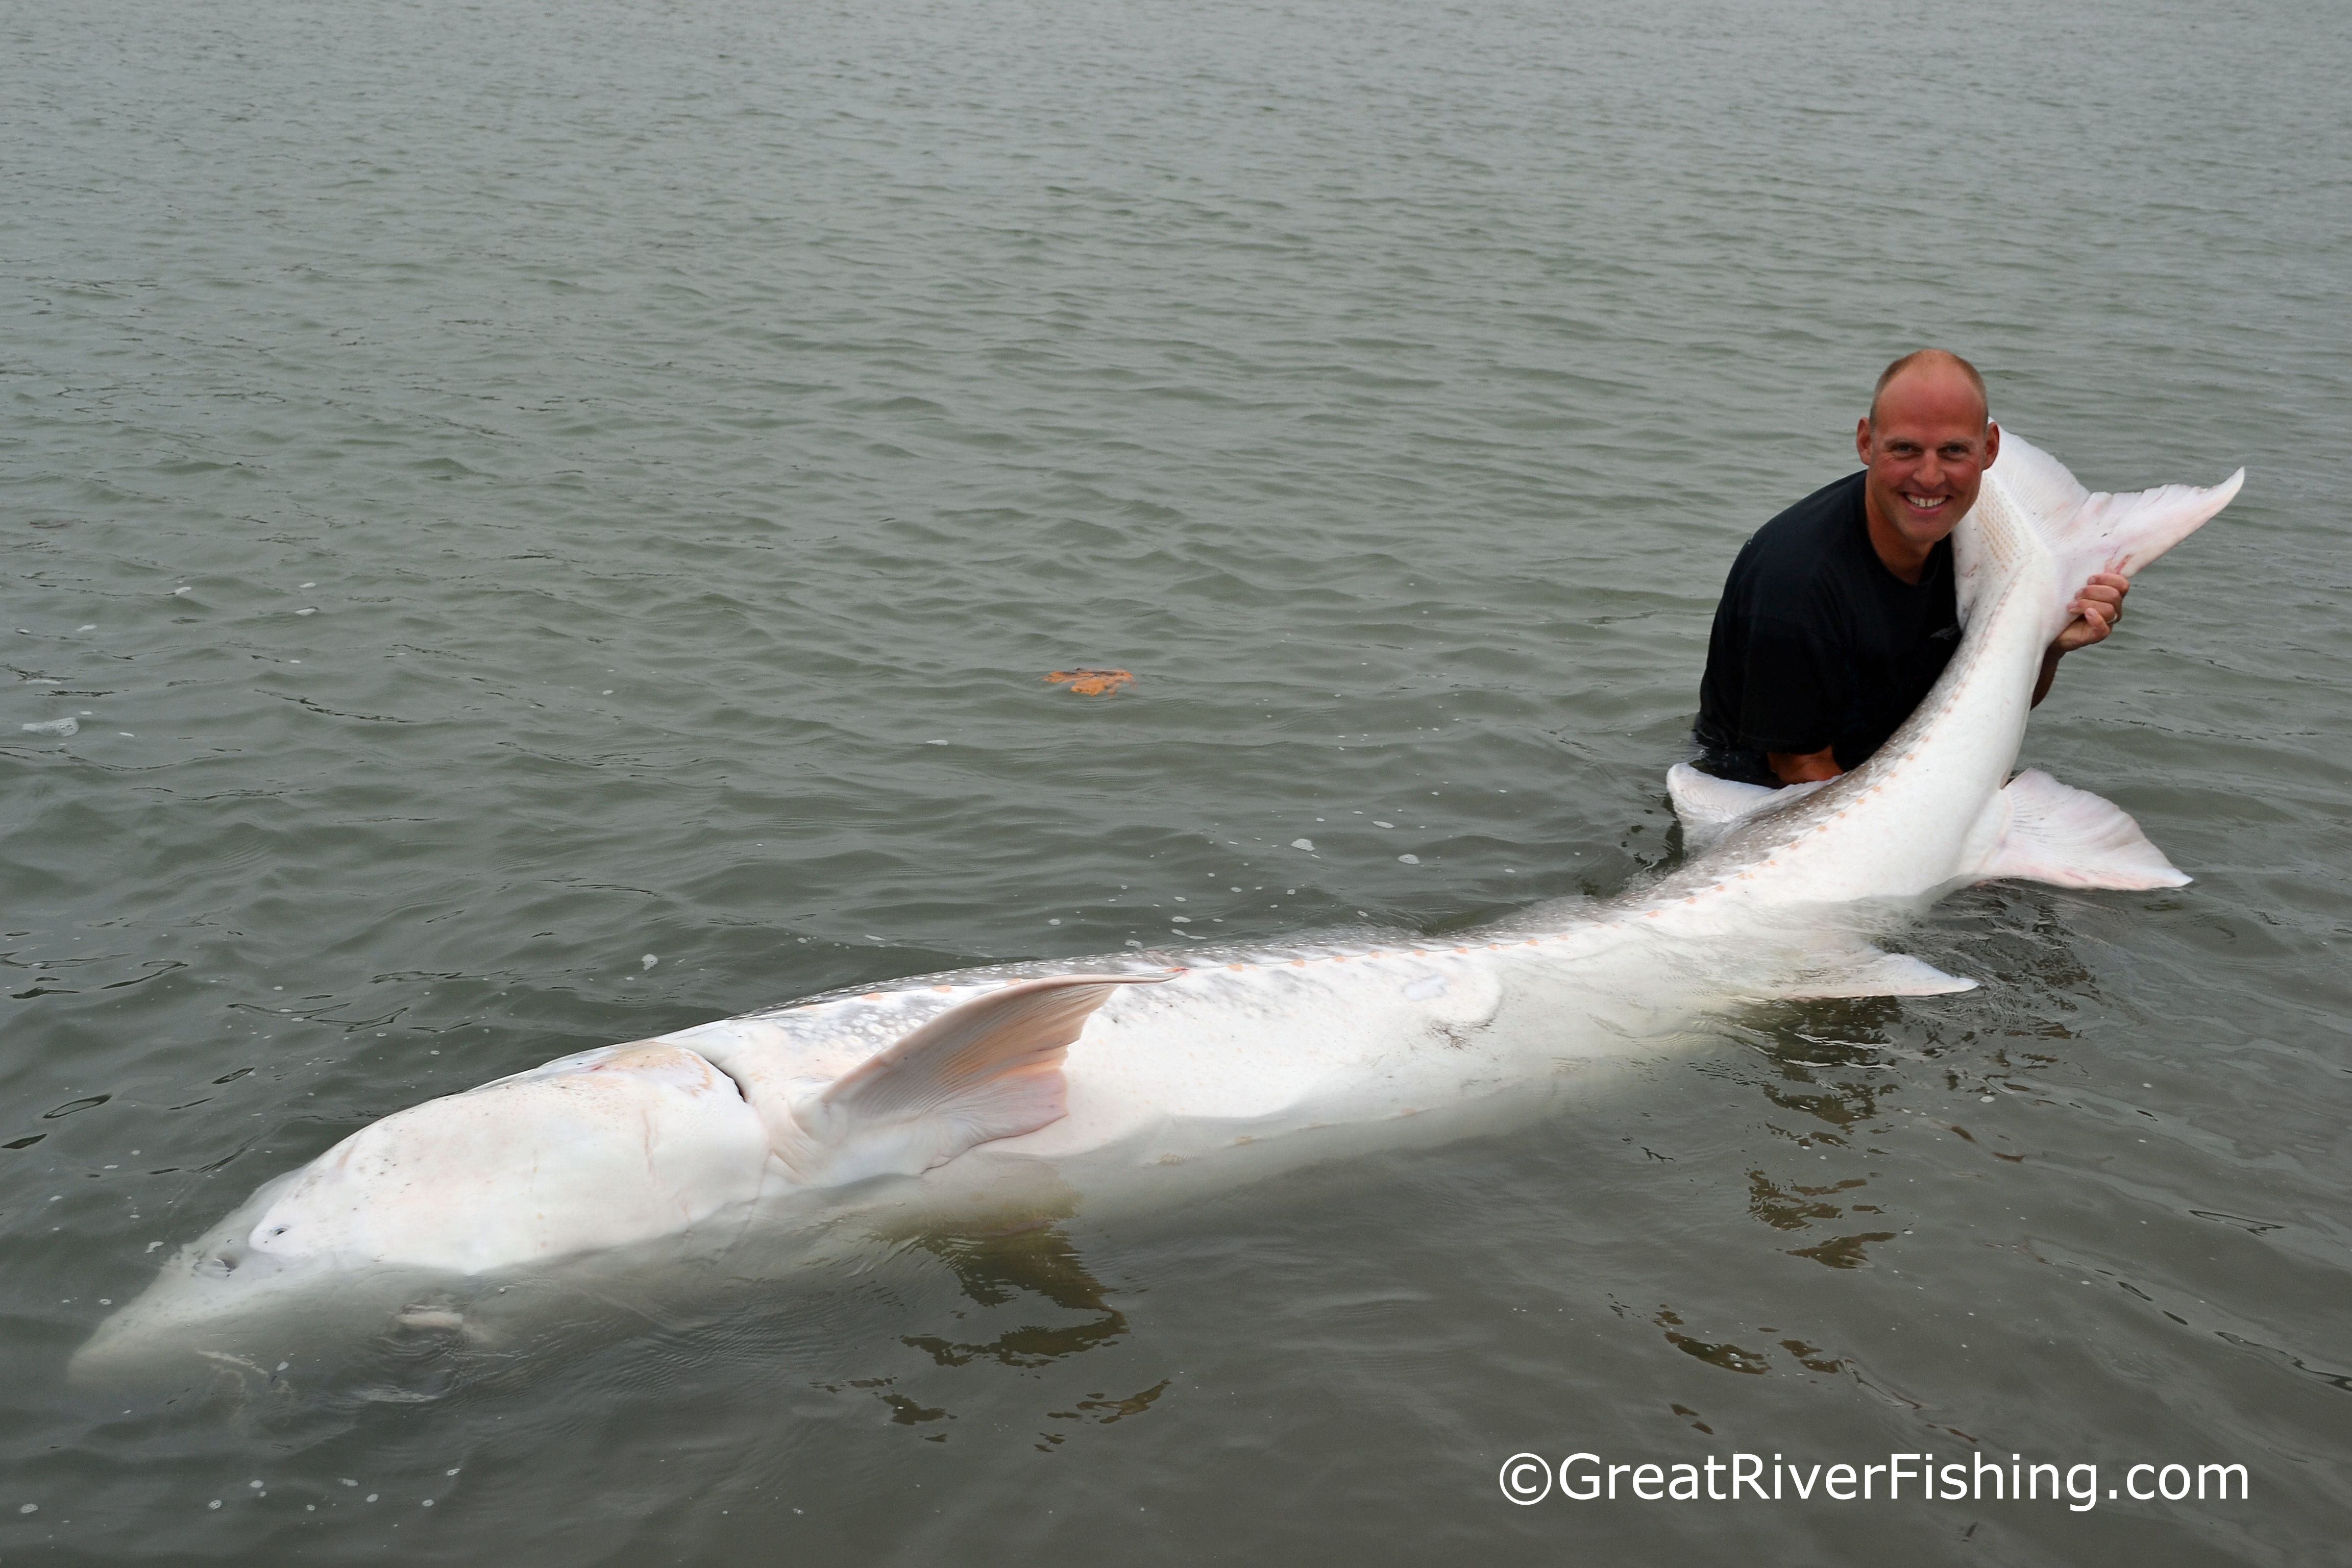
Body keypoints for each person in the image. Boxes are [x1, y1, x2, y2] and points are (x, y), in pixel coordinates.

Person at [1692, 350, 2129, 788]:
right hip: (1756, 793)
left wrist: (2049, 644)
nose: (1930, 477)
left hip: (1886, 765)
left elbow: (1989, 710)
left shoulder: (1977, 548)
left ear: (1990, 449)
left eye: (1954, 451)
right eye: (1905, 449)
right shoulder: (1797, 582)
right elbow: (1799, 771)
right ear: (1866, 442)